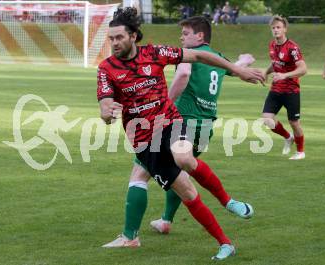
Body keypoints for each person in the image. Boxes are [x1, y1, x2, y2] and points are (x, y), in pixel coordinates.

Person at [97, 7, 264, 260]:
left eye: (119, 37)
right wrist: (107, 112)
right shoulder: (106, 68)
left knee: (185, 158)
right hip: (144, 142)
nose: (114, 43)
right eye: (111, 38)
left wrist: (238, 70)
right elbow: (104, 106)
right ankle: (225, 243)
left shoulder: (155, 53)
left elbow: (197, 56)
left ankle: (228, 202)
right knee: (187, 192)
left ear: (133, 36)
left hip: (170, 123)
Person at [147, 16, 254, 235]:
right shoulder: (219, 58)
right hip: (205, 126)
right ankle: (166, 220)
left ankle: (131, 233)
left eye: (186, 33)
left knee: (140, 166)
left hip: (183, 119)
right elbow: (234, 68)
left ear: (200, 36)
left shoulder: (188, 57)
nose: (181, 37)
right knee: (179, 171)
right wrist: (243, 61)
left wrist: (162, 106)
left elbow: (184, 74)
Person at [262, 15, 307, 160]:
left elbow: (303, 69)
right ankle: (288, 137)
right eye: (273, 28)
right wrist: (265, 72)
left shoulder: (292, 48)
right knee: (267, 119)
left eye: (278, 27)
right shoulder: (272, 45)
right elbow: (275, 63)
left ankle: (300, 152)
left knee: (294, 122)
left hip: (291, 91)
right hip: (276, 89)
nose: (275, 30)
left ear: (285, 29)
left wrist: (285, 75)